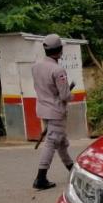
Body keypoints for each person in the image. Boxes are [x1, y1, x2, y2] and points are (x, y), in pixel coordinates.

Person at [32, 34, 75, 190]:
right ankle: (40, 178)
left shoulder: (35, 66)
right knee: (52, 142)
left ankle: (72, 170)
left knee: (61, 141)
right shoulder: (58, 70)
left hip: (43, 109)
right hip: (56, 110)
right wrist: (71, 95)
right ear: (60, 50)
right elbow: (64, 95)